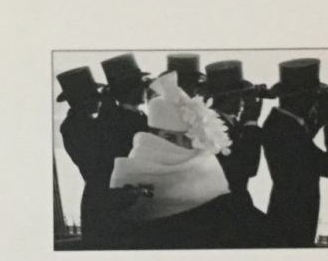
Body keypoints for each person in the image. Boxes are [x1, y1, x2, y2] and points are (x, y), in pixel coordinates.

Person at [109, 72, 271, 249]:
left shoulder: (209, 176)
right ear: (153, 138)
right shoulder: (134, 179)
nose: (181, 145)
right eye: (170, 138)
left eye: (188, 138)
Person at [262, 58, 328, 247]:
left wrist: (319, 120)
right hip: (293, 223)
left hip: (288, 215)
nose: (316, 102)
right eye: (315, 96)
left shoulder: (283, 123)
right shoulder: (285, 131)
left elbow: (304, 138)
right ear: (303, 98)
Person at [57, 66, 145, 248]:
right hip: (103, 201)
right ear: (78, 100)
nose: (97, 99)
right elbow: (103, 157)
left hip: (103, 198)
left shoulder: (86, 123)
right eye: (92, 96)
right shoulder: (76, 127)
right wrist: (111, 109)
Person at [204, 60, 263, 205]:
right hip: (227, 205)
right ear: (232, 97)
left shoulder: (226, 120)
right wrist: (251, 121)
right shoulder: (212, 125)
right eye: (241, 95)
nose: (243, 101)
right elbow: (249, 168)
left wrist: (246, 122)